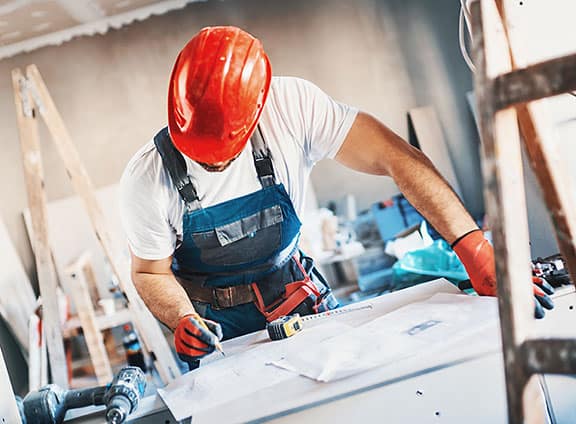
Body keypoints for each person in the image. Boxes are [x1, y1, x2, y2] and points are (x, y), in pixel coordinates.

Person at [119, 26, 553, 368]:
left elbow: (396, 158)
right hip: (218, 326)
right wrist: (182, 320)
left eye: (223, 154)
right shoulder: (146, 177)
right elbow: (150, 272)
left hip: (294, 296)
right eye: (198, 152)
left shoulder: (291, 108)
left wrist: (474, 248)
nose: (211, 165)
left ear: (255, 114)